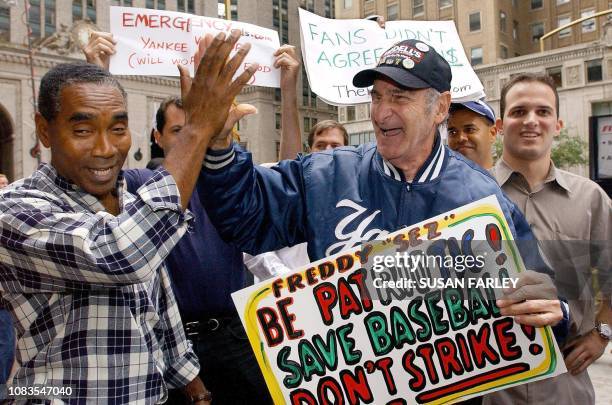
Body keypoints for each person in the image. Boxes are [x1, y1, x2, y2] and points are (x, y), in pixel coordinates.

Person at [197, 39, 568, 340]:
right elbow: (244, 217)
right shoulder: (327, 174)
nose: (380, 112)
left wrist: (556, 313)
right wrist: (216, 144)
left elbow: (540, 292)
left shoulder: (481, 197)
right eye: (376, 96)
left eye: (399, 97)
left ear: (440, 107)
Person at [0, 31, 256, 403]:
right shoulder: (15, 209)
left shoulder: (134, 201)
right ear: (44, 130)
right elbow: (121, 255)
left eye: (118, 129)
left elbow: (160, 304)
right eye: (83, 130)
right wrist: (198, 127)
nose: (105, 149)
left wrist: (194, 387)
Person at [83, 32, 303, 404]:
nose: (194, 136)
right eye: (180, 131)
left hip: (237, 337)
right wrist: (96, 74)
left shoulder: (233, 187)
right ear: (158, 136)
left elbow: (290, 174)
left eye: (202, 125)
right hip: (168, 345)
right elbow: (94, 168)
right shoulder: (138, 186)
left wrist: (289, 92)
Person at [485, 73, 611, 405]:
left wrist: (602, 335)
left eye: (542, 112)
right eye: (518, 111)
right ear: (499, 125)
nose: (531, 121)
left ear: (557, 124)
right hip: (488, 389)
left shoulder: (592, 200)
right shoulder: (469, 195)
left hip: (565, 385)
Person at [447, 99, 497, 169]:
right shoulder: (437, 179)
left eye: (469, 129)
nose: (461, 138)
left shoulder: (510, 178)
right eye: (453, 132)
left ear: (492, 133)